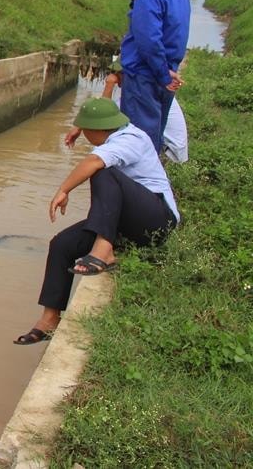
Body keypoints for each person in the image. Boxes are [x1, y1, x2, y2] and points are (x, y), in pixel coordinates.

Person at [14, 98, 179, 345]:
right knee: (62, 244)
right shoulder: (114, 136)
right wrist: (80, 129)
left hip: (157, 219)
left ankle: (103, 250)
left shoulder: (132, 139)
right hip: (127, 222)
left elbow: (93, 163)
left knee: (102, 172)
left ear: (98, 130)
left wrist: (63, 190)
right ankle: (50, 318)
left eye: (85, 130)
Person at [119, 0, 190, 152]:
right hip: (165, 73)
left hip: (145, 77)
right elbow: (174, 33)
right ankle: (152, 180)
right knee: (154, 134)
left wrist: (162, 75)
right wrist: (167, 74)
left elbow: (149, 41)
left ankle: (140, 184)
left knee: (138, 140)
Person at [101, 62, 188, 163]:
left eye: (118, 73)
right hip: (172, 151)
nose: (115, 76)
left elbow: (103, 121)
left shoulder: (141, 94)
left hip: (170, 155)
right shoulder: (148, 88)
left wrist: (109, 85)